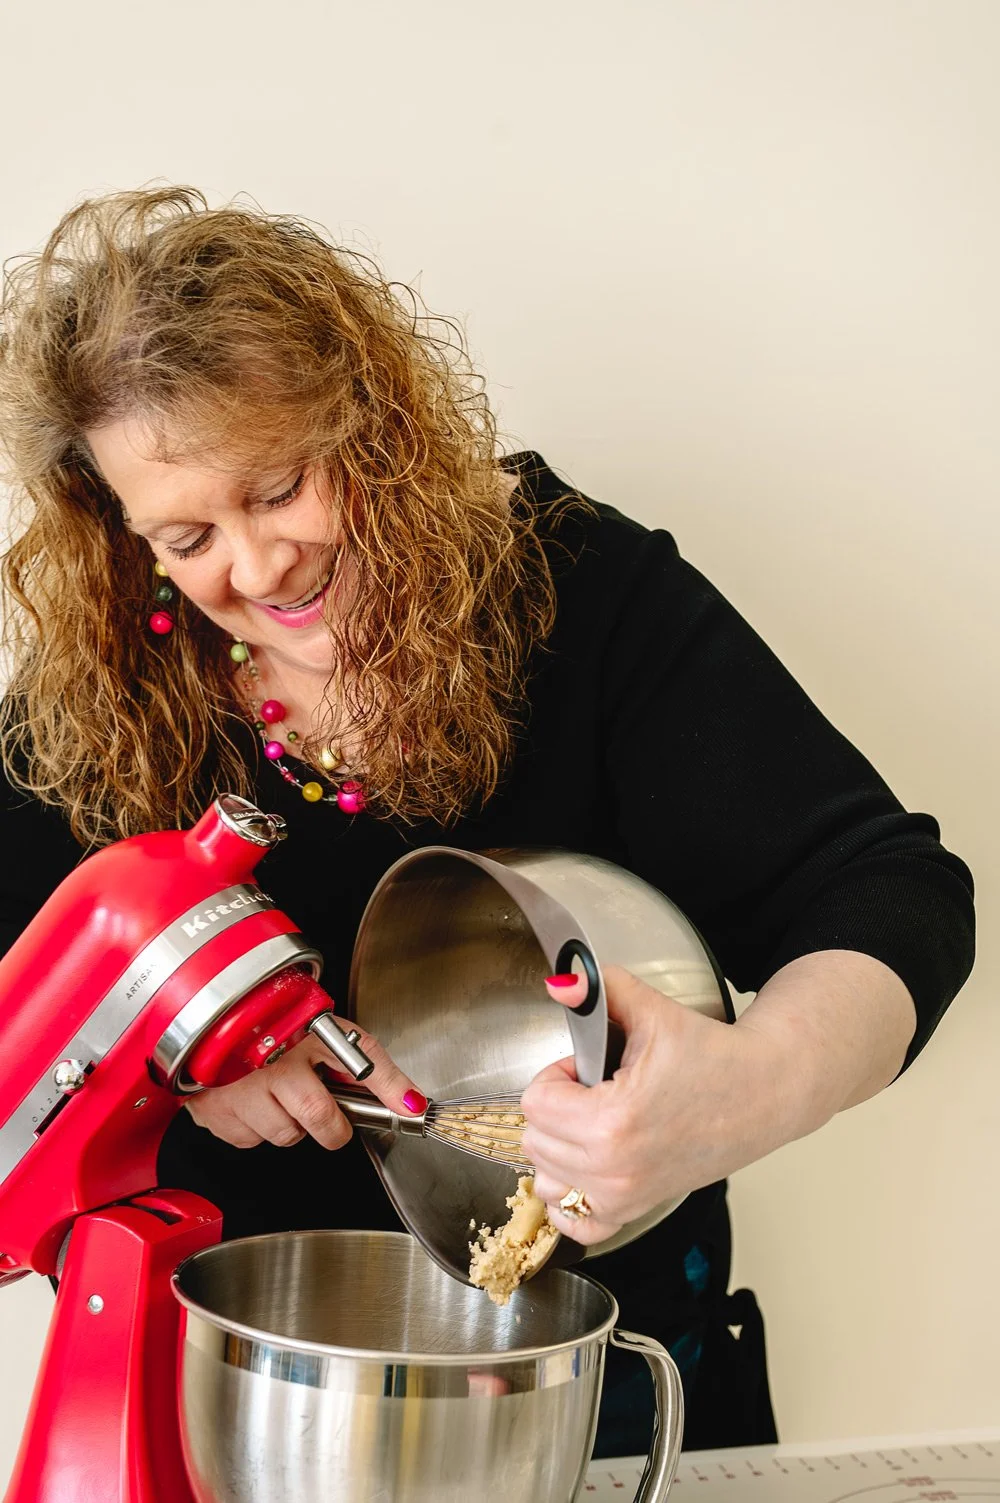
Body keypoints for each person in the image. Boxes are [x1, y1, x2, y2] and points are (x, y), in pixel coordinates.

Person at [0, 187, 974, 1457]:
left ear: (374, 422)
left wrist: (750, 1086)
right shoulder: (104, 688)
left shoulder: (578, 593)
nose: (256, 567)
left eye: (282, 487)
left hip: (595, 1380)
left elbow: (888, 891)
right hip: (235, 1403)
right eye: (187, 536)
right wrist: (161, 1052)